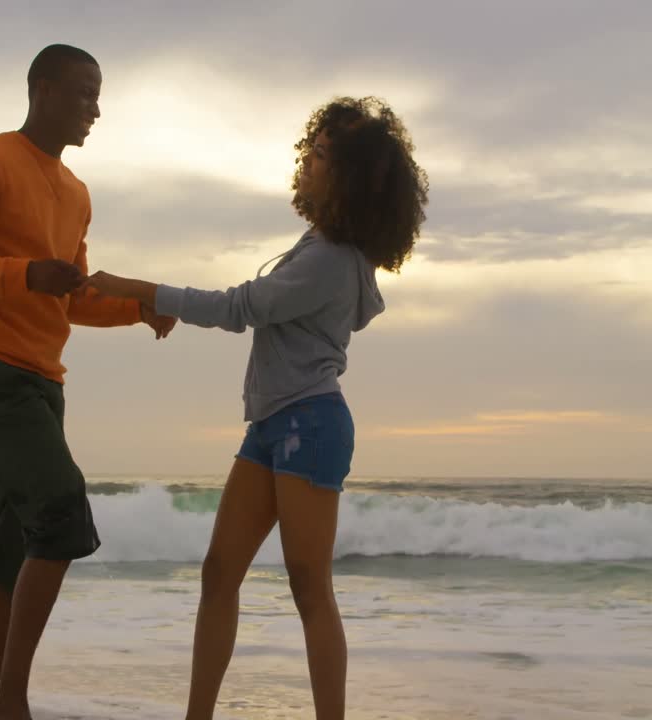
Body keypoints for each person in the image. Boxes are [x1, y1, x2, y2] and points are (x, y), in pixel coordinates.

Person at [86, 96, 428, 720]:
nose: (309, 161)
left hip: (310, 424)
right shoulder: (319, 244)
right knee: (219, 575)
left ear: (352, 178)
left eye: (323, 156)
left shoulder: (330, 261)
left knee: (308, 587)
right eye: (313, 149)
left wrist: (137, 289)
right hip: (272, 426)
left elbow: (240, 307)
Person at [0, 44, 175, 720]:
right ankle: (13, 705)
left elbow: (72, 296)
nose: (95, 108)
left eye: (99, 95)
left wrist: (137, 309)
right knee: (60, 514)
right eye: (84, 93)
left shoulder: (76, 193)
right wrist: (25, 272)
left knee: (12, 548)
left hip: (43, 386)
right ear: (42, 88)